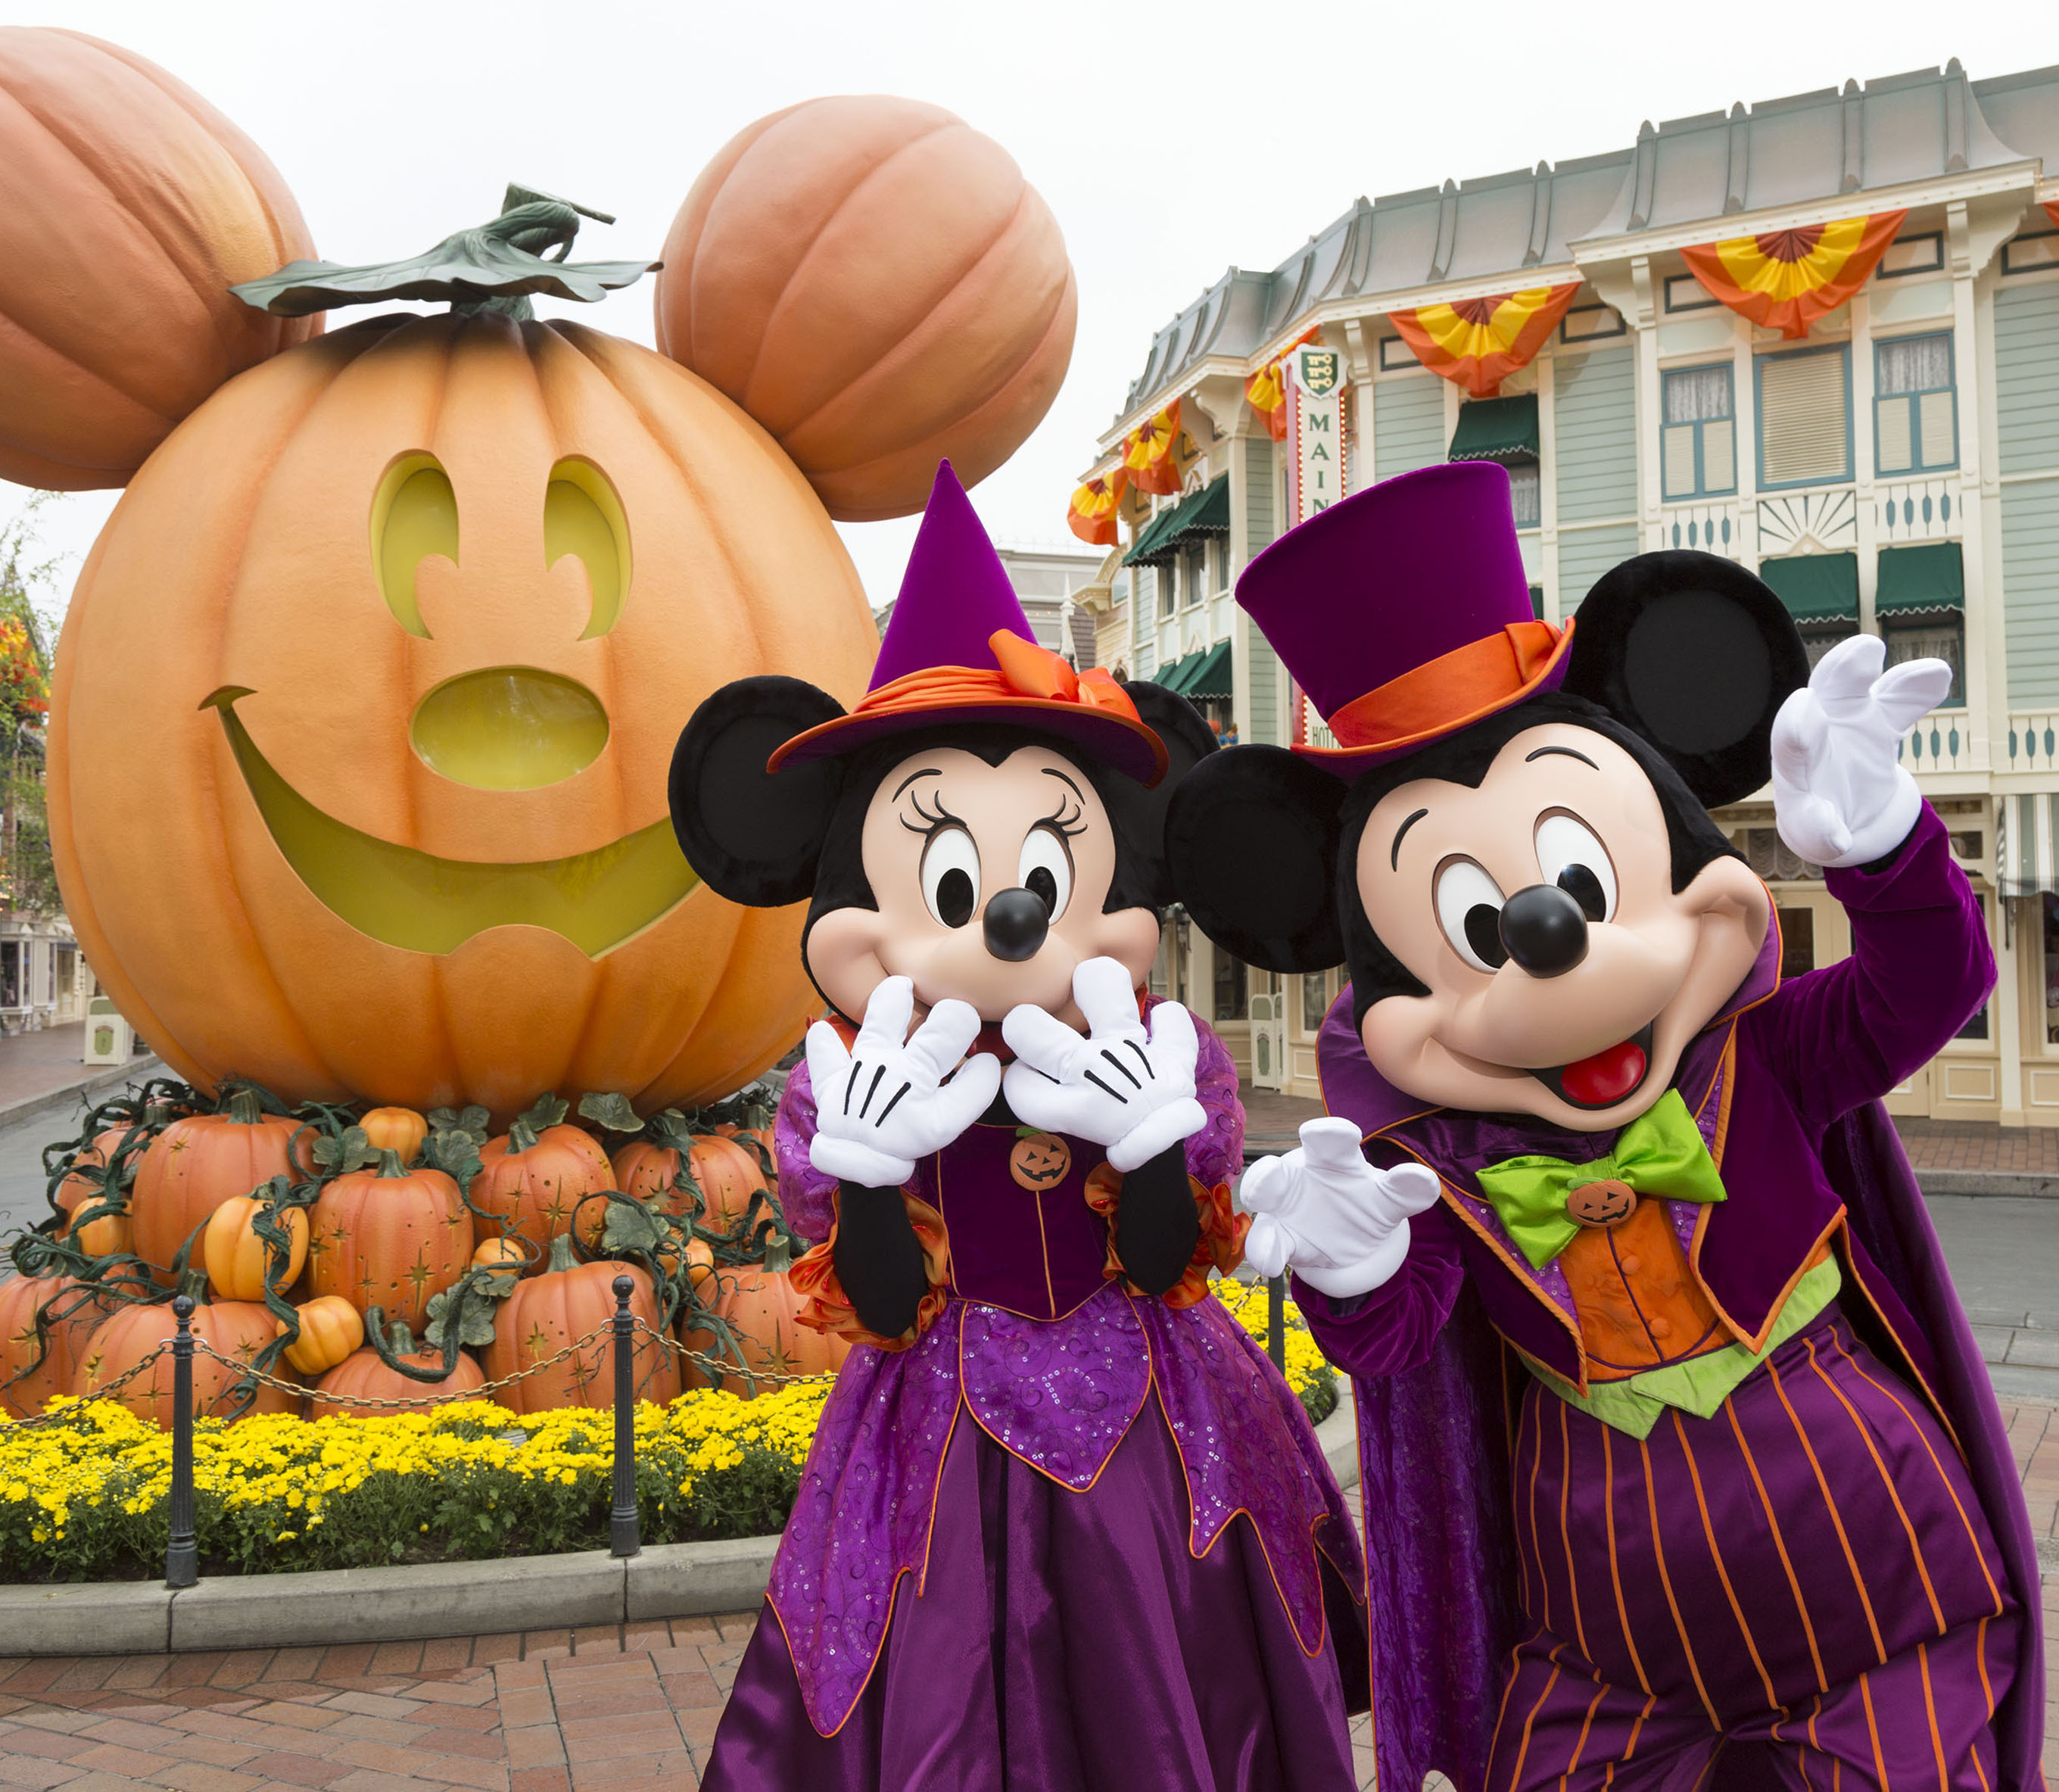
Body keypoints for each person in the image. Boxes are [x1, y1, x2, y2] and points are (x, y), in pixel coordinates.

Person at [1167, 462, 2044, 1791]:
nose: (1549, 937)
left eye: (1579, 878)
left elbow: (1930, 988)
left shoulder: (1767, 1057)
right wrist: (1355, 1276)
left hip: (1875, 1576)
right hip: (1606, 1634)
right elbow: (1411, 1337)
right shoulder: (1443, 1169)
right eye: (1472, 927)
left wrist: (1884, 855)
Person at [668, 463, 1366, 1790]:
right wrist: (868, 1176)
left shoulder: (1160, 1054)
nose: (1008, 910)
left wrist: (1154, 1142)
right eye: (952, 872)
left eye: (1044, 868)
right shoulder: (846, 1085)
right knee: (940, 1677)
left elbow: (1164, 1265)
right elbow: (880, 1303)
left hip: (1158, 1418)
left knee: (1172, 1672)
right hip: (937, 1430)